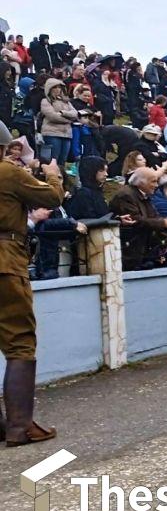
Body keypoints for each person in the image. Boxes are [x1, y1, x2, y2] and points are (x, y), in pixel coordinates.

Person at [0, 154, 63, 445]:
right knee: (20, 342)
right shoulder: (8, 173)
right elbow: (52, 198)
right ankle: (20, 427)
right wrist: (52, 174)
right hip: (5, 263)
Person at [109, 167, 167, 270]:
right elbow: (135, 220)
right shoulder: (126, 195)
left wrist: (164, 221)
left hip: (144, 246)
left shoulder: (144, 195)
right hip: (130, 249)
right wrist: (163, 223)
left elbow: (153, 215)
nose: (156, 185)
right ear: (141, 182)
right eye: (153, 182)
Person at [39, 78, 78, 165]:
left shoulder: (66, 102)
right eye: (55, 87)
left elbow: (75, 113)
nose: (58, 89)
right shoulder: (45, 101)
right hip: (52, 133)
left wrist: (63, 113)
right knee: (53, 160)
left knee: (62, 160)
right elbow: (52, 116)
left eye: (59, 87)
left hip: (67, 134)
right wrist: (68, 119)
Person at [66, 156, 110, 220]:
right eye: (101, 170)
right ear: (91, 171)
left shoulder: (97, 191)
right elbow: (91, 218)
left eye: (106, 171)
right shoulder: (84, 194)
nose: (106, 174)